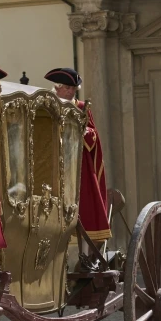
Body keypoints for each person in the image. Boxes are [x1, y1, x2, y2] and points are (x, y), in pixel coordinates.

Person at [45, 67, 111, 245]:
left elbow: (93, 135)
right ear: (57, 87)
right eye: (67, 88)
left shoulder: (81, 107)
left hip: (76, 162)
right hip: (50, 160)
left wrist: (79, 131)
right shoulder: (46, 105)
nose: (71, 91)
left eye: (74, 88)